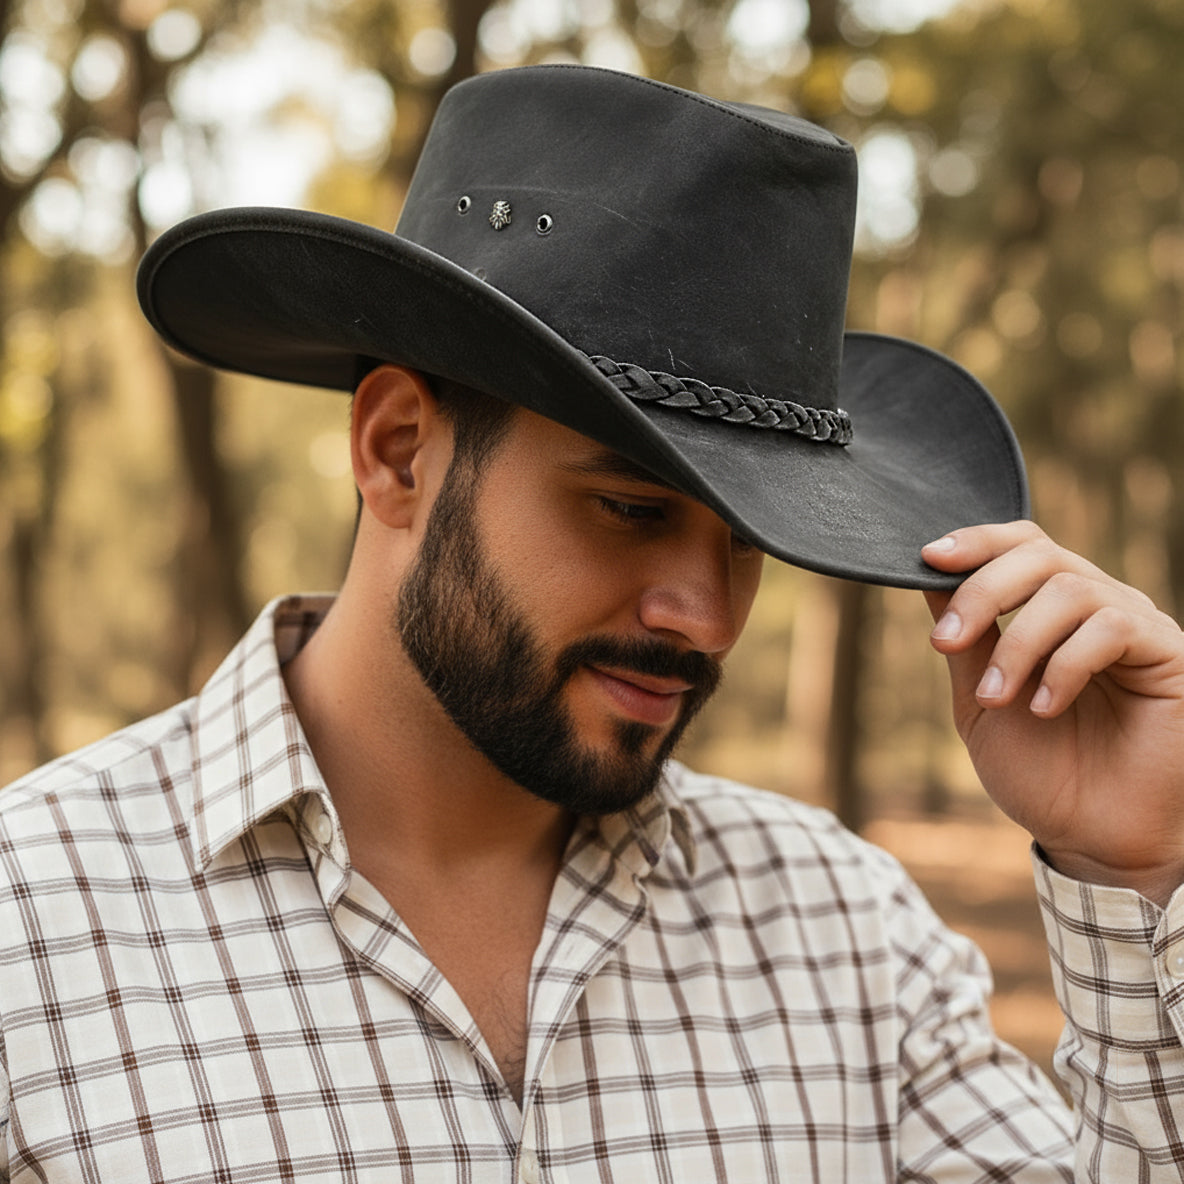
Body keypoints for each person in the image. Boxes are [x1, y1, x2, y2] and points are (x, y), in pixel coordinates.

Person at [1, 64, 1182, 1183]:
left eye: (747, 542)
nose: (707, 618)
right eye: (627, 507)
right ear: (397, 450)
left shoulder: (845, 929)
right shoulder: (32, 927)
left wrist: (1133, 864)